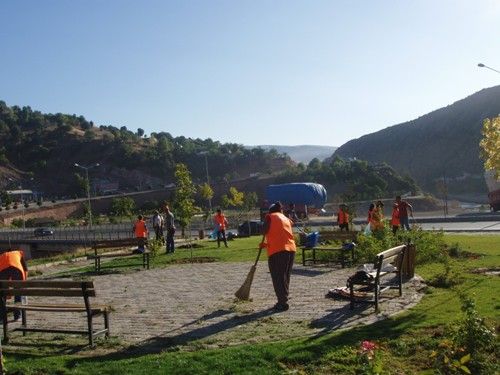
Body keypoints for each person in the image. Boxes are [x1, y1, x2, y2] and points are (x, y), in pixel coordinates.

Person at [259, 201, 296, 312]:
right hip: (291, 249)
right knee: (285, 275)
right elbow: (281, 234)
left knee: (278, 277)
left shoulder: (270, 217)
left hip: (278, 252)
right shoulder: (286, 218)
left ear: (271, 211)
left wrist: (264, 228)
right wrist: (266, 244)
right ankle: (284, 297)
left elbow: (263, 231)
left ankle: (282, 302)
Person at [0, 249, 28, 321]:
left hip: (2, 270)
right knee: (18, 292)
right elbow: (25, 269)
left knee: (2, 293)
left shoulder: (2, 256)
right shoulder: (19, 253)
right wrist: (24, 283)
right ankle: (17, 316)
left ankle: (1, 317)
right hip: (16, 268)